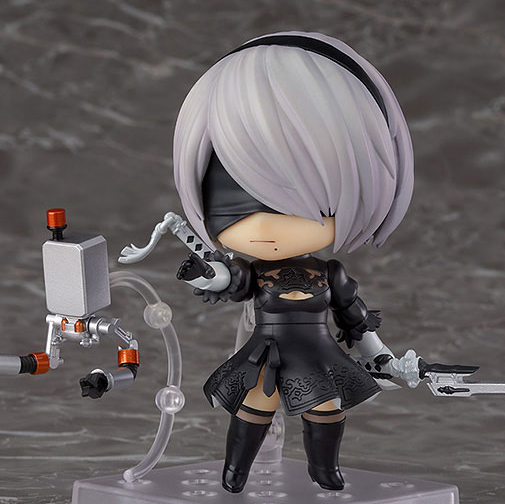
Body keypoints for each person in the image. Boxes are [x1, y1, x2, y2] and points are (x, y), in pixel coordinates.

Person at [174, 31, 414, 494]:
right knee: (256, 407)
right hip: (266, 351)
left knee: (325, 409)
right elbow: (228, 280)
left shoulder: (330, 274)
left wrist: (381, 356)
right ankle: (236, 472)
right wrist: (205, 273)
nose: (265, 226)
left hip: (317, 353)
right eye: (234, 208)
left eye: (294, 205)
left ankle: (324, 470)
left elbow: (355, 319)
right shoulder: (255, 273)